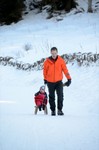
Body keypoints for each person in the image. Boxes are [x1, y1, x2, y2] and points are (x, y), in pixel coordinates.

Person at [43, 47, 71, 116]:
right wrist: (45, 79)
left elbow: (65, 70)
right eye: (52, 53)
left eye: (55, 53)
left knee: (60, 96)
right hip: (50, 82)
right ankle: (53, 110)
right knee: (51, 97)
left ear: (57, 52)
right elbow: (44, 71)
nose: (54, 55)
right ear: (51, 53)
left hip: (59, 82)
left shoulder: (61, 60)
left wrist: (69, 79)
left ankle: (59, 110)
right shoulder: (47, 61)